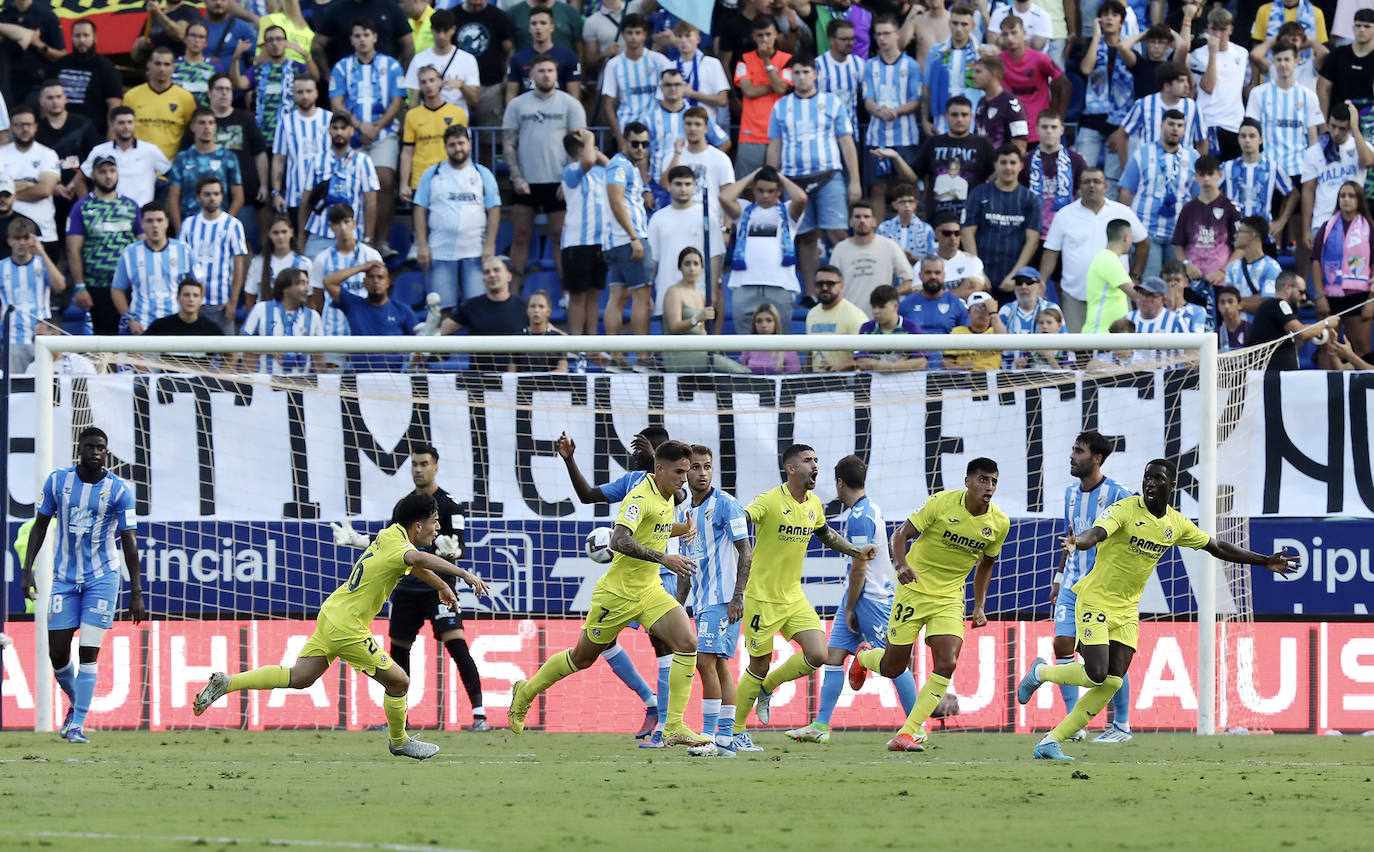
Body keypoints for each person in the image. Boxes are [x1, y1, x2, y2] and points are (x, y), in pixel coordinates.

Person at [1020, 458, 1300, 759]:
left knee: (1112, 680)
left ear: (1172, 486)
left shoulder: (1175, 524)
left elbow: (1216, 547)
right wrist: (1080, 543)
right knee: (1097, 673)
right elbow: (1097, 533)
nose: (1150, 483)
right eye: (1147, 478)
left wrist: (1263, 561)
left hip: (1127, 610)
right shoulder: (1125, 509)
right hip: (1095, 601)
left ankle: (1051, 741)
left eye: (1157, 479)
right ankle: (1042, 672)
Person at [194, 492, 488, 760]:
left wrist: (441, 587)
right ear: (418, 526)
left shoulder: (390, 535)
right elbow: (417, 558)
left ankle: (228, 682)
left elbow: (415, 565)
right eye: (435, 522)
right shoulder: (403, 547)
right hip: (347, 626)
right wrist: (463, 574)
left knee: (300, 677)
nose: (438, 529)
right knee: (399, 682)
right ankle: (399, 741)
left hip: (333, 612)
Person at [509, 440, 710, 746]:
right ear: (660, 469)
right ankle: (526, 691)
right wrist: (664, 558)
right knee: (581, 658)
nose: (684, 478)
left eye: (687, 471)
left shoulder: (667, 495)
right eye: (679, 471)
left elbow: (655, 528)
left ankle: (674, 726)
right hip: (617, 596)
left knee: (687, 642)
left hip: (649, 591)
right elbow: (619, 541)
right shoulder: (639, 497)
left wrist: (681, 530)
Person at [698, 444, 878, 755]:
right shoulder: (769, 501)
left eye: (817, 459)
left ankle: (768, 686)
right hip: (761, 598)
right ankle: (736, 732)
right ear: (791, 468)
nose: (815, 464)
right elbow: (742, 516)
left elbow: (826, 535)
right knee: (759, 663)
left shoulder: (814, 505)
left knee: (818, 654)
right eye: (808, 460)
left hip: (793, 596)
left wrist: (856, 550)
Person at [847, 457, 1008, 751]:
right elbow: (901, 534)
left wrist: (980, 605)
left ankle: (908, 732)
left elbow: (987, 564)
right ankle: (864, 658)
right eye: (983, 480)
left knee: (947, 661)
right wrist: (900, 564)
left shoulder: (998, 523)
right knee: (893, 667)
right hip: (914, 589)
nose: (989, 487)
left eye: (994, 481)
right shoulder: (941, 503)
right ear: (968, 482)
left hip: (949, 597)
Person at [20, 427, 144, 745]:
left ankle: (76, 723)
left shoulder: (119, 490)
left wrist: (136, 591)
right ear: (80, 448)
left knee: (89, 652)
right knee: (57, 653)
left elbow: (129, 542)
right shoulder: (57, 481)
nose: (95, 452)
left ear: (106, 452)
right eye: (90, 446)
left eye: (101, 447)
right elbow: (40, 526)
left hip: (102, 577)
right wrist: (27, 569)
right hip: (63, 578)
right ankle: (77, 706)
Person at [784, 454, 919, 745]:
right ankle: (820, 725)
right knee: (833, 658)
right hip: (860, 595)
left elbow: (860, 566)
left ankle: (915, 727)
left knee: (895, 664)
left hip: (870, 598)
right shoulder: (870, 509)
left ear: (840, 482)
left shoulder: (859, 518)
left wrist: (848, 607)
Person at [383, 446, 490, 731]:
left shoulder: (450, 505)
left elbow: (459, 546)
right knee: (399, 651)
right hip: (406, 588)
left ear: (435, 467)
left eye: (424, 464)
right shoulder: (404, 506)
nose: (418, 469)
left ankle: (479, 715)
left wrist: (453, 550)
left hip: (438, 588)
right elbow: (394, 545)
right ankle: (399, 719)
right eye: (414, 464)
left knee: (455, 644)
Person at [667, 445, 753, 757]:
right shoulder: (685, 512)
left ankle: (710, 737)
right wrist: (677, 606)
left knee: (705, 661)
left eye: (707, 467)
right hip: (703, 600)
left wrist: (737, 597)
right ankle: (726, 741)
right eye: (696, 468)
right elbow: (687, 566)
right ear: (686, 472)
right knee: (718, 665)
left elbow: (746, 550)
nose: (702, 473)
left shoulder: (727, 504)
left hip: (724, 597)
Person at [767, 54, 862, 295]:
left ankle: (847, 289)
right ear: (791, 76)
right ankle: (810, 294)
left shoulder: (832, 103)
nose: (801, 77)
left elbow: (846, 142)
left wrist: (855, 181)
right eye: (796, 73)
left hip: (828, 175)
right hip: (793, 180)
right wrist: (772, 183)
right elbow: (774, 146)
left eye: (805, 72)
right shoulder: (781, 106)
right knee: (806, 237)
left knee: (838, 233)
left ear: (815, 74)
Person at [503, 54, 586, 288]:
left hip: (558, 182)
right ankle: (513, 294)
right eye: (541, 71)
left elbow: (579, 147)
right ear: (531, 75)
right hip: (526, 181)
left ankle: (567, 293)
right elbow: (509, 143)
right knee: (520, 237)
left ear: (556, 74)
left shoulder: (570, 104)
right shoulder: (517, 105)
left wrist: (568, 180)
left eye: (550, 70)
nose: (546, 75)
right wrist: (517, 177)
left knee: (560, 237)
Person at [329, 20, 406, 259]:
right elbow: (336, 103)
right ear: (351, 39)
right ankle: (351, 240)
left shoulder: (391, 66)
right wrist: (360, 126)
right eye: (357, 35)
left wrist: (376, 127)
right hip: (352, 136)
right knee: (353, 189)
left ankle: (380, 241)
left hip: (383, 134)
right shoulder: (341, 68)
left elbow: (397, 101)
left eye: (366, 34)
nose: (362, 39)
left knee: (384, 180)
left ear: (375, 37)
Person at [1040, 168, 1146, 332]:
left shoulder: (1123, 212)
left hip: (1113, 298)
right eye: (1086, 181)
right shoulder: (1064, 215)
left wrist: (1136, 275)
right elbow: (1051, 252)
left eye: (1097, 181)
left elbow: (1143, 242)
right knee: (1077, 350)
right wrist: (1042, 282)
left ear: (1105, 187)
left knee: (1119, 351)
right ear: (1079, 187)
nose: (1092, 185)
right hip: (1075, 294)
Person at [413, 123, 498, 314]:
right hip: (440, 251)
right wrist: (422, 244)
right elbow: (419, 209)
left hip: (475, 252)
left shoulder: (483, 174)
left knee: (477, 309)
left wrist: (490, 245)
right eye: (452, 144)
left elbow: (493, 209)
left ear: (469, 144)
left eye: (461, 143)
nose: (457, 148)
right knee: (440, 310)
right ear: (445, 147)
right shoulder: (432, 174)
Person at [719, 165, 809, 335]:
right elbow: (724, 197)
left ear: (779, 191)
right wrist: (754, 173)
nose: (765, 195)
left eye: (771, 191)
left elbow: (801, 198)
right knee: (746, 346)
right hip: (744, 284)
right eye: (760, 190)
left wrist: (779, 176)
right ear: (754, 190)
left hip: (780, 285)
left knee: (778, 344)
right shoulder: (744, 209)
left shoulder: (788, 211)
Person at [1118, 109, 1200, 280]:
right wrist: (1125, 229)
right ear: (1162, 126)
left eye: (1180, 125)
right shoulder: (1142, 153)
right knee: (1150, 284)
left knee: (1176, 283)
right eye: (1171, 124)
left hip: (1177, 235)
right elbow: (1126, 192)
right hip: (1147, 231)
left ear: (1184, 130)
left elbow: (1197, 199)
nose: (1175, 129)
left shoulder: (1193, 157)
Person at [66, 157, 142, 336]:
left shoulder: (130, 206)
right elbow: (72, 250)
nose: (108, 176)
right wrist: (79, 286)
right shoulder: (82, 207)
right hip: (97, 286)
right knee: (104, 341)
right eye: (102, 172)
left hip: (128, 286)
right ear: (93, 175)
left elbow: (142, 243)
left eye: (112, 171)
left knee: (133, 340)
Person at [963, 144, 1041, 302]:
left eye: (1012, 163)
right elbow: (966, 233)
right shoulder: (979, 193)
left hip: (1014, 281)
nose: (1008, 167)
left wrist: (1016, 275)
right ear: (995, 165)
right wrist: (978, 272)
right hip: (983, 279)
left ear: (1020, 166)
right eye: (1003, 162)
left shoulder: (1029, 199)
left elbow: (1032, 240)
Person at [648, 166, 724, 329]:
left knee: (702, 349)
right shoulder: (658, 218)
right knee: (672, 350)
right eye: (678, 184)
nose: (683, 189)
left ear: (694, 186)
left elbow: (715, 256)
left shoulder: (707, 217)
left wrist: (712, 292)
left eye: (687, 184)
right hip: (666, 292)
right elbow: (652, 260)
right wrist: (647, 292)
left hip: (699, 294)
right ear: (669, 185)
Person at [112, 202, 204, 335]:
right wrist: (130, 320)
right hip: (142, 327)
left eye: (159, 220)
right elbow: (117, 289)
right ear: (142, 224)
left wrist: (190, 316)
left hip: (176, 326)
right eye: (149, 221)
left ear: (167, 222)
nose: (155, 225)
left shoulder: (184, 250)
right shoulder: (130, 253)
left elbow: (200, 283)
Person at [603, 120, 654, 356]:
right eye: (635, 143)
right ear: (624, 140)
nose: (640, 148)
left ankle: (616, 357)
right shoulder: (620, 166)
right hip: (628, 240)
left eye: (645, 144)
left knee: (616, 298)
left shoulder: (624, 165)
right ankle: (642, 356)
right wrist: (634, 237)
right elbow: (616, 201)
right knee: (641, 298)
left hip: (614, 242)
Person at [861, 15, 921, 213]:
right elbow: (867, 100)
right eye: (878, 34)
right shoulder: (870, 66)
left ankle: (910, 229)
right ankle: (877, 237)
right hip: (877, 135)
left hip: (905, 136)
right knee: (877, 188)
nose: (882, 38)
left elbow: (916, 100)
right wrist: (878, 111)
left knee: (908, 185)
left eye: (886, 33)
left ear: (897, 34)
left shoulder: (911, 65)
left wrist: (896, 111)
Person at [231, 32, 314, 175]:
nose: (275, 43)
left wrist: (306, 55)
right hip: (264, 136)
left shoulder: (297, 67)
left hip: (291, 136)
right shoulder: (257, 70)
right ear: (265, 45)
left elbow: (315, 78)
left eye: (279, 39)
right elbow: (239, 84)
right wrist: (236, 58)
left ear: (286, 42)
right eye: (270, 40)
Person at [301, 112, 380, 258]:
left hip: (352, 235)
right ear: (329, 130)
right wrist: (301, 238)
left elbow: (371, 203)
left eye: (343, 128)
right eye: (335, 128)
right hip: (320, 233)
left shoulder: (363, 161)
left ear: (352, 131)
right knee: (310, 277)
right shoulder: (317, 161)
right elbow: (305, 201)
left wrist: (368, 237)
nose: (339, 132)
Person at [1077, 1, 1135, 195]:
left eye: (1114, 15)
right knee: (1082, 174)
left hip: (1118, 125)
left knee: (1111, 180)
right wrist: (1096, 37)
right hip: (1091, 120)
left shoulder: (1129, 50)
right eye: (1105, 14)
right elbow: (1086, 69)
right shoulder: (1091, 44)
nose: (1109, 18)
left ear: (1121, 22)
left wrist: (1121, 130)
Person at [1301, 103, 1374, 255]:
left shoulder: (1361, 146)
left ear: (1349, 128)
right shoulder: (1314, 152)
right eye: (1333, 126)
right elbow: (1308, 190)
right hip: (1323, 220)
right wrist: (1306, 229)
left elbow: (1368, 162)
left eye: (1342, 128)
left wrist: (1355, 128)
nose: (1335, 132)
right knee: (1326, 271)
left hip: (1355, 222)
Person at [661, 247, 749, 373]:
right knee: (736, 370)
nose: (692, 268)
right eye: (687, 264)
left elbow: (702, 332)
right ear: (680, 268)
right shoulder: (674, 292)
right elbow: (674, 327)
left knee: (742, 370)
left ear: (701, 268)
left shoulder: (701, 294)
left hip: (700, 351)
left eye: (696, 264)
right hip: (679, 354)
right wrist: (697, 318)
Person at [1311, 180, 1374, 356]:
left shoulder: (1369, 227)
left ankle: (1364, 383)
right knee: (1326, 347)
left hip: (1360, 295)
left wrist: (1372, 298)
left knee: (1360, 345)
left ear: (1359, 199)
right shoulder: (1327, 226)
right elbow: (1315, 260)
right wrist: (1319, 295)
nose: (1346, 199)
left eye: (1351, 196)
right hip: (1330, 295)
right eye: (1342, 195)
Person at [181, 175, 250, 333]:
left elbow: (238, 267)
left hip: (221, 304)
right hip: (192, 304)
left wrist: (234, 301)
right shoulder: (188, 225)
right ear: (199, 197)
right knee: (192, 355)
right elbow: (182, 264)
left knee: (228, 353)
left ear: (221, 196)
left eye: (216, 194)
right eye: (207, 194)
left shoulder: (233, 225)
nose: (212, 198)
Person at [439, 255, 529, 372]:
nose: (491, 275)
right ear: (483, 280)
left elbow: (549, 331)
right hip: (480, 381)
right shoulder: (470, 306)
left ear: (508, 276)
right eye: (487, 272)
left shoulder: (524, 306)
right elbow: (442, 331)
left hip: (516, 381)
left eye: (496, 270)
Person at [324, 261, 419, 371]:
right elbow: (328, 281)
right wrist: (362, 267)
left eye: (380, 277)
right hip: (360, 378)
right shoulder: (354, 305)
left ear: (388, 283)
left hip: (395, 379)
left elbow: (419, 343)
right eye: (371, 277)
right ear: (364, 282)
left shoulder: (402, 310)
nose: (375, 281)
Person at [559, 128, 609, 338]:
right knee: (578, 296)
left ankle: (592, 344)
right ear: (581, 149)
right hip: (577, 243)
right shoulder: (570, 171)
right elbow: (588, 161)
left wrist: (593, 147)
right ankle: (577, 345)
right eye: (590, 146)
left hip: (601, 242)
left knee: (594, 294)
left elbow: (613, 166)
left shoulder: (600, 172)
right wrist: (590, 138)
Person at [913, 96, 995, 222]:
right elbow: (914, 175)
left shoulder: (983, 144)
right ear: (947, 116)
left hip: (973, 218)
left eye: (964, 115)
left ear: (971, 117)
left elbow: (995, 175)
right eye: (954, 115)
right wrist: (895, 158)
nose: (959, 119)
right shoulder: (933, 143)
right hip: (937, 218)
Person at [1172, 155, 1241, 301]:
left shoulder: (1231, 208)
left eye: (1210, 174)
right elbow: (1179, 246)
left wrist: (1223, 271)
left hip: (1221, 281)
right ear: (1196, 176)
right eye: (1202, 175)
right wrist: (1187, 265)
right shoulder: (1188, 209)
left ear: (1219, 174)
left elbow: (1240, 248)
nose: (1206, 179)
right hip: (1192, 281)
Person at [310, 203, 384, 337]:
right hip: (333, 329)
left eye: (346, 222)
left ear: (354, 224)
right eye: (337, 224)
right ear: (332, 228)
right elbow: (318, 297)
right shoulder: (322, 259)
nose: (343, 228)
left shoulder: (372, 255)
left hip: (364, 327)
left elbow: (380, 290)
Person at [0, 217, 63, 372]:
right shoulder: (1, 267)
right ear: (9, 241)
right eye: (17, 238)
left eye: (26, 238)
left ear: (32, 240)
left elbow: (60, 286)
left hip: (43, 337)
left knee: (46, 386)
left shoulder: (42, 263)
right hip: (13, 339)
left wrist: (42, 252)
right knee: (16, 389)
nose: (21, 243)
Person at [1112, 63, 1207, 166]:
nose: (1187, 85)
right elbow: (1122, 133)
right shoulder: (1144, 104)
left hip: (1182, 170)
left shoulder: (1193, 107)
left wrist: (1199, 170)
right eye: (1181, 81)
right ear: (1167, 86)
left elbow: (1201, 141)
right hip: (1148, 168)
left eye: (1186, 81)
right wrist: (1126, 167)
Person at [829, 202, 915, 316]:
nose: (862, 220)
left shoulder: (889, 246)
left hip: (882, 319)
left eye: (866, 217)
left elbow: (910, 281)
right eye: (857, 217)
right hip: (849, 318)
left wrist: (890, 294)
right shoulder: (839, 250)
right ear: (850, 221)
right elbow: (831, 285)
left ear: (874, 221)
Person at [167, 108, 246, 233]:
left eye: (211, 123)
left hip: (219, 226)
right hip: (190, 227)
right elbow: (173, 196)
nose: (207, 127)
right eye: (202, 123)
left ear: (215, 127)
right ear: (193, 126)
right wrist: (180, 229)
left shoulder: (228, 157)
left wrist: (226, 225)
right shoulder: (182, 158)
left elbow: (238, 196)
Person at [733, 15, 793, 178]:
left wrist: (767, 62)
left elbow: (781, 89)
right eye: (760, 35)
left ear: (776, 34)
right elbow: (749, 91)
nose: (764, 39)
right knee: (749, 184)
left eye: (768, 34)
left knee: (778, 183)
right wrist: (774, 84)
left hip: (779, 132)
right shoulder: (744, 59)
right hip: (751, 133)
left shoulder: (787, 59)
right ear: (753, 36)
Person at [80, 108, 172, 210]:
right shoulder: (99, 151)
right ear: (112, 125)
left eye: (130, 122)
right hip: (108, 213)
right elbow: (79, 180)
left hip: (142, 213)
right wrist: (88, 207)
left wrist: (166, 210)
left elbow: (174, 179)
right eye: (121, 123)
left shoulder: (150, 150)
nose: (126, 127)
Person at [1250, 270, 1342, 370]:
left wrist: (1314, 331)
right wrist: (1326, 323)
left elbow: (1296, 341)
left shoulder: (1273, 307)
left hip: (1277, 374)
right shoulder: (1278, 304)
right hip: (1273, 375)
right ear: (1287, 288)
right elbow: (1301, 332)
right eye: (1301, 292)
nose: (1304, 297)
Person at [240, 267, 326, 374]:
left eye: (307, 283)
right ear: (285, 287)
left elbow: (319, 357)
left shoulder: (314, 316)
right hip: (265, 385)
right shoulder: (261, 309)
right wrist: (267, 348)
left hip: (302, 384)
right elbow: (243, 343)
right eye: (302, 283)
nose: (307, 289)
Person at [997, 15, 1068, 145]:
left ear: (1024, 33)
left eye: (1014, 33)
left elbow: (1064, 84)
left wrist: (1058, 117)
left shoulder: (1040, 59)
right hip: (1009, 130)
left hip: (1038, 131)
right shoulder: (998, 62)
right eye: (1005, 34)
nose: (1010, 38)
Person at [271, 77, 330, 231]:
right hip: (295, 196)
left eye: (309, 91)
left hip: (326, 196)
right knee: (300, 243)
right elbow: (279, 159)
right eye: (300, 92)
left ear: (316, 93)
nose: (305, 96)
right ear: (293, 95)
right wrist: (276, 192)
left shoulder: (329, 120)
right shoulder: (285, 122)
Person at [450, 0, 517, 129]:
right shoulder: (453, 15)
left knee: (489, 138)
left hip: (490, 86)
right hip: (459, 86)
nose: (476, 4)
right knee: (454, 133)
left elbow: (509, 50)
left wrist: (506, 79)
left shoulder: (498, 16)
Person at [0, 106, 60, 250]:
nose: (24, 129)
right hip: (6, 236)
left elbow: (44, 190)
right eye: (19, 125)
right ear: (11, 128)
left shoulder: (48, 154)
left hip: (43, 234)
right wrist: (30, 184)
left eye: (28, 124)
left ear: (35, 127)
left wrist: (9, 190)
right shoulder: (1, 154)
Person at [124, 47, 199, 161]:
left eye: (166, 64)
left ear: (173, 67)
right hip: (137, 165)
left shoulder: (186, 99)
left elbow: (192, 133)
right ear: (149, 65)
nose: (162, 69)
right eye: (158, 64)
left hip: (171, 167)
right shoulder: (131, 96)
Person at [54, 19, 125, 137]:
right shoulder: (60, 65)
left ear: (94, 37)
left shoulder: (107, 68)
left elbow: (114, 105)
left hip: (94, 135)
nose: (82, 40)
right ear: (71, 38)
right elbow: (46, 100)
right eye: (77, 35)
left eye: (86, 35)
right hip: (61, 135)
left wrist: (111, 136)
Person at [1022, 110, 1084, 237]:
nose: (1049, 131)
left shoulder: (1076, 160)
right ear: (1036, 129)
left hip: (1067, 229)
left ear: (1062, 130)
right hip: (1032, 230)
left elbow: (1081, 194)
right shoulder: (1026, 160)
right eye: (1044, 127)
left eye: (1054, 127)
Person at [923, 3, 982, 137]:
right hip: (943, 121)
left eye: (964, 24)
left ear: (972, 26)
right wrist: (925, 120)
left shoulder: (981, 53)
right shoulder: (936, 52)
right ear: (949, 24)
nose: (959, 29)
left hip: (973, 121)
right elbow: (927, 87)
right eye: (955, 23)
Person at [1223, 119, 1295, 226]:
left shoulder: (1272, 167)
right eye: (1243, 136)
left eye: (1252, 136)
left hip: (1262, 234)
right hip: (1233, 234)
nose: (1247, 140)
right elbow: (1210, 192)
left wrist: (1281, 222)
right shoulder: (1226, 167)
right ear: (1238, 139)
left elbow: (1294, 194)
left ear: (1260, 139)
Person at [403, 9, 480, 109]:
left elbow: (474, 100)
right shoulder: (419, 60)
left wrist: (462, 86)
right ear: (431, 30)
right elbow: (414, 99)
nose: (441, 36)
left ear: (453, 29)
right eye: (437, 31)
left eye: (445, 30)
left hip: (457, 120)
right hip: (428, 120)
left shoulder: (468, 60)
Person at [508, 7, 582, 100]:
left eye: (543, 23)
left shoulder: (569, 57)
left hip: (558, 111)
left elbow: (574, 96)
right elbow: (511, 96)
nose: (538, 27)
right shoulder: (517, 59)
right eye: (534, 23)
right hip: (527, 112)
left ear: (552, 27)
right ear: (529, 28)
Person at [806, 264, 868, 371]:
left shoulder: (855, 315)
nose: (824, 288)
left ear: (841, 286)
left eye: (830, 284)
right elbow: (810, 352)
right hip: (816, 380)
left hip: (847, 382)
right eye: (820, 284)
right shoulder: (812, 313)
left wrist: (838, 367)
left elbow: (864, 356)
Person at [244, 215, 312, 312]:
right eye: (275, 233)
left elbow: (310, 299)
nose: (280, 237)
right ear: (269, 234)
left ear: (291, 232)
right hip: (266, 318)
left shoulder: (304, 263)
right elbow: (250, 296)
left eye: (284, 232)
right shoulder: (258, 263)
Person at [854, 285, 928, 371]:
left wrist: (891, 367)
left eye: (882, 307)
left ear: (895, 307)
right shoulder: (866, 328)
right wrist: (883, 365)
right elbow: (861, 362)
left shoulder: (911, 328)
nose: (876, 311)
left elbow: (921, 362)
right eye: (874, 307)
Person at [816, 18, 865, 135]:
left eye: (852, 38)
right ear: (831, 40)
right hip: (824, 134)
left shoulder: (859, 64)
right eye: (844, 39)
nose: (850, 43)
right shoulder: (818, 65)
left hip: (851, 131)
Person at [144, 276, 227, 342]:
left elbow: (231, 356)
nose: (191, 299)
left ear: (201, 300)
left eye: (195, 295)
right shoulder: (161, 325)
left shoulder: (211, 329)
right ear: (178, 298)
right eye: (186, 295)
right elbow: (135, 351)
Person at [973, 55, 1030, 151]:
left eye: (978, 72)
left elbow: (1020, 144)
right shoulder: (981, 102)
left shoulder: (1012, 104)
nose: (973, 76)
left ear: (993, 74)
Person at [875, 181, 934, 269]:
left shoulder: (926, 229)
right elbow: (877, 254)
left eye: (910, 201)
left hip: (917, 276)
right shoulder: (884, 228)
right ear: (895, 205)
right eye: (902, 202)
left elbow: (932, 258)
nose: (907, 205)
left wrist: (913, 259)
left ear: (915, 204)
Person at [946, 291, 1005, 369]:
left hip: (991, 377)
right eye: (976, 308)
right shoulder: (958, 332)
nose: (980, 311)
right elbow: (946, 363)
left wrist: (993, 313)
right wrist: (963, 368)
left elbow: (1003, 342)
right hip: (965, 378)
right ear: (969, 312)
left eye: (985, 308)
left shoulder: (995, 331)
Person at [739, 302, 802, 373]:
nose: (764, 325)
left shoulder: (787, 349)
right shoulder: (748, 348)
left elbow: (795, 379)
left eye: (769, 321)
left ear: (776, 323)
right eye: (759, 321)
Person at [174, 21, 222, 107]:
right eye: (193, 35)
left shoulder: (215, 68)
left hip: (204, 117)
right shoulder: (172, 65)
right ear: (185, 39)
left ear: (206, 43)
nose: (196, 40)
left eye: (201, 37)